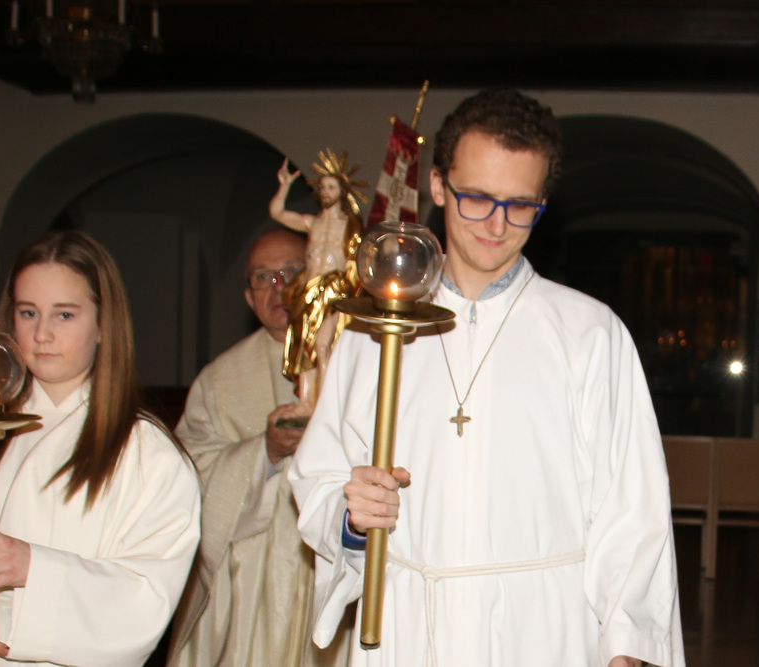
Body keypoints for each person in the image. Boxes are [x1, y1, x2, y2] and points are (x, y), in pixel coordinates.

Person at [289, 90, 684, 666]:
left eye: (520, 205)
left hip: (543, 635)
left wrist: (627, 645)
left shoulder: (590, 334)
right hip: (407, 626)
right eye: (476, 198)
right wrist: (351, 516)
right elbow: (318, 478)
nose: (497, 225)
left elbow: (633, 511)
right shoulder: (372, 334)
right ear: (438, 186)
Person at [0, 230, 201, 667]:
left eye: (64, 315)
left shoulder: (147, 454)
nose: (42, 334)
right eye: (28, 312)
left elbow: (147, 596)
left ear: (104, 324)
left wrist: (34, 567)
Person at [167, 228, 351, 667]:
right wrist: (264, 452)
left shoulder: (355, 359)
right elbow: (186, 476)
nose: (279, 287)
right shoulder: (219, 379)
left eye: (291, 271)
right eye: (262, 277)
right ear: (249, 298)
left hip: (332, 565)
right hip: (246, 581)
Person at [268, 150, 366, 418]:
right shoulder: (311, 223)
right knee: (304, 349)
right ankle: (306, 404)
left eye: (331, 187)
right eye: (322, 187)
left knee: (324, 346)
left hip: (334, 294)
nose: (325, 192)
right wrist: (284, 186)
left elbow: (357, 265)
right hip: (307, 293)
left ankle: (327, 405)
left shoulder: (350, 226)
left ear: (342, 191)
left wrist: (349, 296)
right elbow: (277, 212)